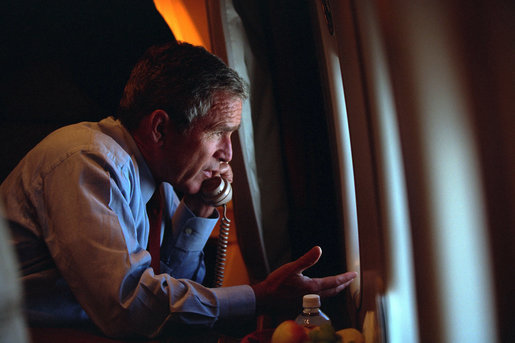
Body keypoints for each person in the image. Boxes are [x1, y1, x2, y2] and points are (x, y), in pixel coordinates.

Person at [0, 42, 357, 339]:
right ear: (160, 129)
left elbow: (172, 291)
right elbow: (131, 308)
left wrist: (200, 208)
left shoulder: (163, 183)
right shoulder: (87, 161)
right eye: (219, 132)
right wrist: (260, 296)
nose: (227, 154)